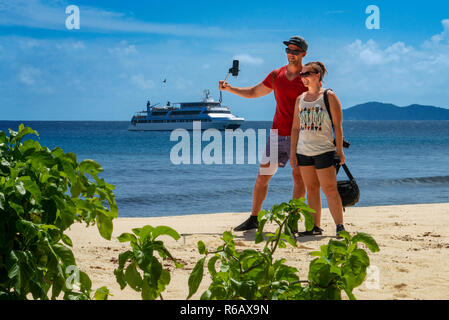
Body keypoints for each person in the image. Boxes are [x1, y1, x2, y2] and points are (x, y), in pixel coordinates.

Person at [219, 36, 312, 231]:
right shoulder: (275, 75)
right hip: (277, 135)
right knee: (263, 176)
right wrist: (230, 89)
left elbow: (320, 101)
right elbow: (254, 92)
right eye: (288, 50)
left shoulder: (308, 77)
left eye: (295, 51)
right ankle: (254, 217)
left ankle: (292, 221)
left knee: (299, 179)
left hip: (301, 137)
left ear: (303, 54)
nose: (291, 54)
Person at [290, 61, 346, 238]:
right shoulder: (300, 99)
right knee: (311, 189)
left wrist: (339, 151)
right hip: (304, 151)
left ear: (317, 75)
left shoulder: (329, 96)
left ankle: (340, 226)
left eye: (307, 74)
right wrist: (293, 154)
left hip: (324, 150)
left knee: (329, 189)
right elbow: (295, 128)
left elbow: (338, 125)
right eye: (302, 75)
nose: (303, 78)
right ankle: (315, 226)